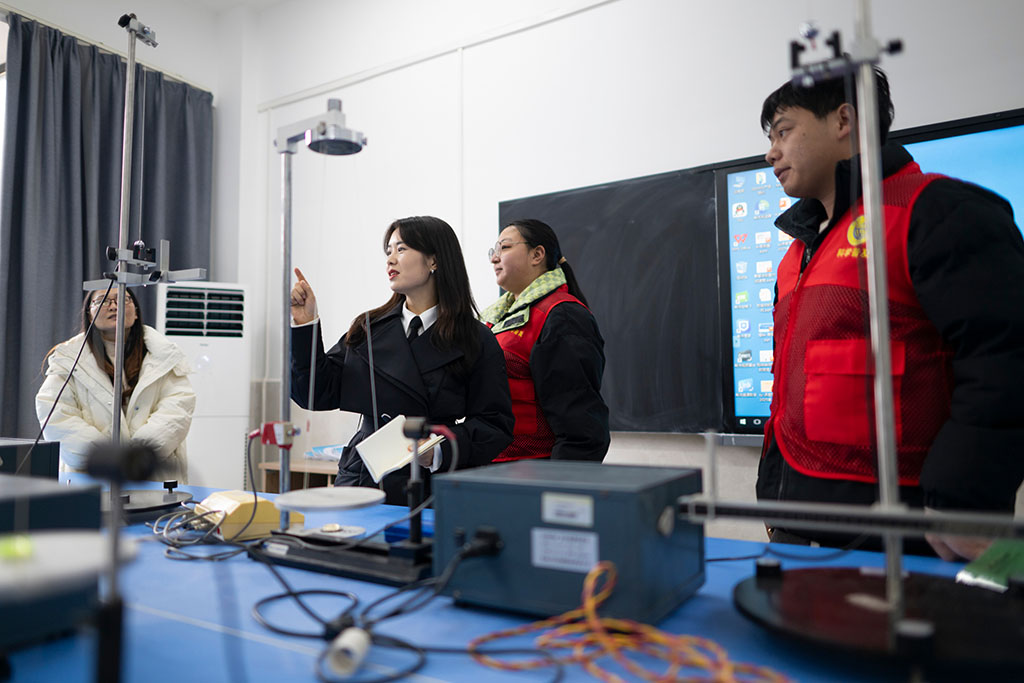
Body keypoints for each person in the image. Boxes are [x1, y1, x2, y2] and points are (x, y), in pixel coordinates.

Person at [755, 67, 1024, 560]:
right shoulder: (798, 253)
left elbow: (1004, 361)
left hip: (919, 535)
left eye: (783, 131)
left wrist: (963, 501)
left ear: (843, 120)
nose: (770, 152)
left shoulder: (938, 212)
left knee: (967, 635)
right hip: (803, 528)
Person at [290, 216, 514, 504]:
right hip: (363, 482)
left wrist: (438, 452)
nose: (390, 260)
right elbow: (313, 393)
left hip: (430, 485)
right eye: (388, 251)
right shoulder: (368, 328)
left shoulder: (475, 339)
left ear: (434, 260)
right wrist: (306, 325)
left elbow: (495, 426)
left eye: (402, 249)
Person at [481, 219, 610, 462]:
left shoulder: (562, 316)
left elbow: (581, 428)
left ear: (537, 254)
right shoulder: (493, 320)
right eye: (493, 251)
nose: (494, 259)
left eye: (504, 248)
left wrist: (557, 489)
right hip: (490, 470)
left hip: (531, 474)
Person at [36, 287, 196, 482]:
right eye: (103, 301)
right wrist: (108, 459)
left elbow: (176, 412)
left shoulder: (166, 356)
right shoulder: (67, 359)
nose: (113, 306)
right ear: (89, 313)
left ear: (136, 312)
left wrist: (136, 458)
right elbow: (56, 416)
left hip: (151, 478)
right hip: (92, 479)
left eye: (123, 299)